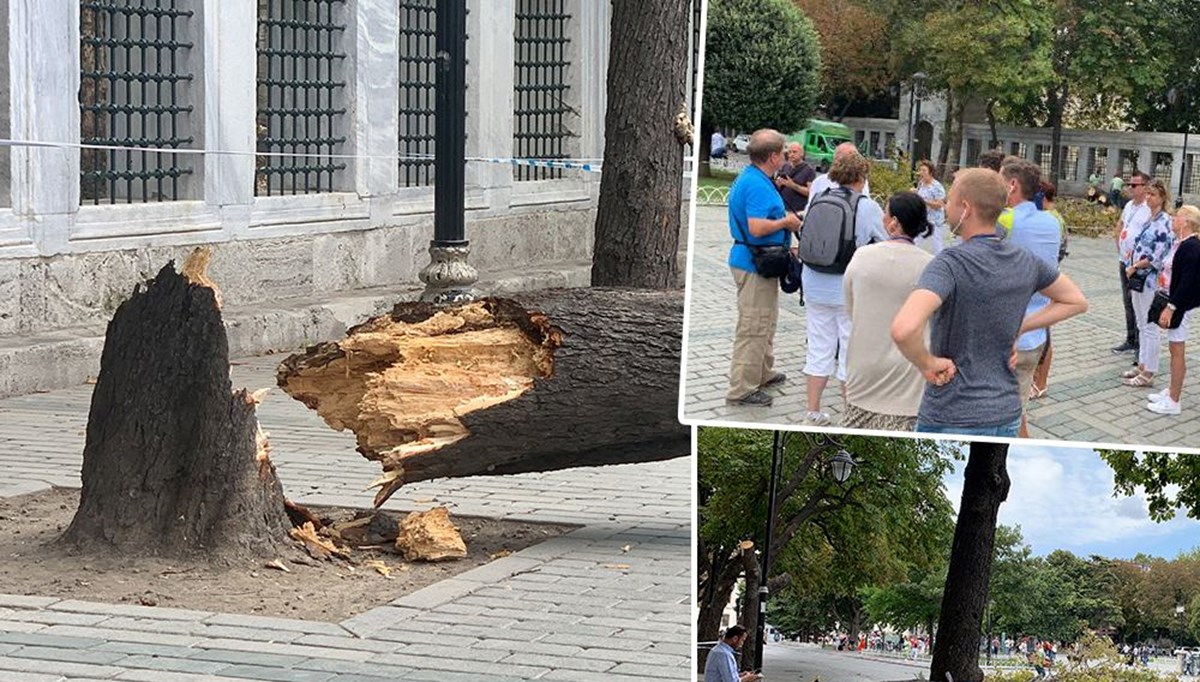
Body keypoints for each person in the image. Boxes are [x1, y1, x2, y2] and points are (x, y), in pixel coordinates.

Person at [890, 168, 1088, 437]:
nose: (946, 207)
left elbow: (904, 328)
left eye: (950, 200)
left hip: (952, 412)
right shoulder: (1025, 260)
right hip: (1005, 413)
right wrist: (1021, 328)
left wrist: (926, 363)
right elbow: (1076, 301)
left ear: (966, 208)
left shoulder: (949, 264)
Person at [800, 151, 887, 425]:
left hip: (814, 284)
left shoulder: (818, 198)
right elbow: (884, 244)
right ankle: (851, 415)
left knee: (818, 348)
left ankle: (812, 412)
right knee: (850, 351)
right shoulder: (868, 207)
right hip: (849, 291)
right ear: (862, 176)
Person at [843, 192, 934, 431]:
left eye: (886, 214)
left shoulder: (862, 256)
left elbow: (850, 307)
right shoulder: (930, 265)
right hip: (908, 373)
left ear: (893, 222)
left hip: (864, 366)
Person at [725, 129, 801, 407]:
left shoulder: (757, 178)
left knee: (766, 320)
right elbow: (756, 227)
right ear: (772, 156)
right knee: (753, 325)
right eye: (782, 153)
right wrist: (787, 224)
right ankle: (742, 389)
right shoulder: (756, 184)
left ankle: (762, 372)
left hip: (761, 261)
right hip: (754, 262)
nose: (785, 157)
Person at [1000, 158, 1061, 438]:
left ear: (1012, 185)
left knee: (1003, 421)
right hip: (1036, 334)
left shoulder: (1005, 220)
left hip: (1006, 335)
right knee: (1017, 414)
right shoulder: (1052, 222)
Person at [1146, 205, 1200, 414]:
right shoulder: (1181, 243)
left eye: (1177, 216)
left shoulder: (1191, 247)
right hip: (1174, 300)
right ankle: (1171, 390)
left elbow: (1187, 283)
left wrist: (1171, 307)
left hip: (1181, 304)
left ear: (1186, 221)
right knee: (1173, 349)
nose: (1173, 219)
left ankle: (1174, 401)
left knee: (1177, 351)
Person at [1122, 179, 1174, 388]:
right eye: (1148, 194)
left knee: (1150, 326)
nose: (1149, 197)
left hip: (1150, 280)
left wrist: (1135, 266)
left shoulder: (1165, 222)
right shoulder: (1149, 219)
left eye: (1153, 194)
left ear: (1162, 197)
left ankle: (1149, 371)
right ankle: (1142, 363)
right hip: (1138, 278)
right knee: (1141, 323)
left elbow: (1158, 256)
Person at [1030, 180, 1067, 400]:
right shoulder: (1049, 217)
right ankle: (1035, 378)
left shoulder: (1053, 219)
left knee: (1044, 333)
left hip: (1047, 282)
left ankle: (1041, 382)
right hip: (1042, 280)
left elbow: (1057, 253)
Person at [1113, 171, 1152, 357]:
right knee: (1127, 302)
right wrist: (1118, 243)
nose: (1130, 187)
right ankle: (1130, 340)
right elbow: (1121, 225)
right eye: (1129, 184)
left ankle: (1140, 344)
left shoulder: (1149, 208)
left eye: (1134, 185)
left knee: (1139, 304)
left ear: (1145, 187)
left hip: (1139, 264)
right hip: (1124, 261)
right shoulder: (1129, 205)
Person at [915, 160, 947, 254]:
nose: (921, 173)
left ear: (930, 172)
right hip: (923, 217)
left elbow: (939, 205)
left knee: (937, 244)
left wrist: (923, 200)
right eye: (920, 170)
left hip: (935, 219)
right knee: (917, 240)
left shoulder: (937, 186)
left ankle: (940, 261)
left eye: (924, 170)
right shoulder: (921, 184)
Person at [775, 142, 816, 213]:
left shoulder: (809, 170)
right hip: (782, 207)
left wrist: (792, 185)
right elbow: (776, 186)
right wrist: (778, 184)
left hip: (798, 210)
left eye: (794, 152)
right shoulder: (785, 166)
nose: (791, 155)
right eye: (789, 152)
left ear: (802, 154)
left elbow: (810, 192)